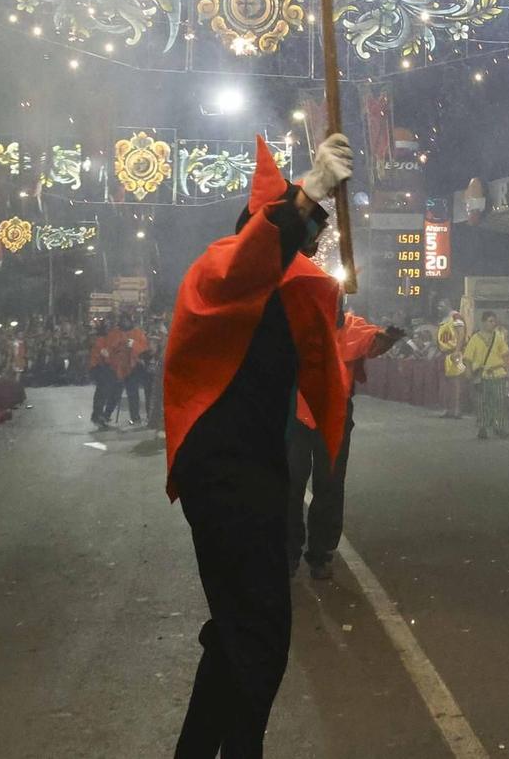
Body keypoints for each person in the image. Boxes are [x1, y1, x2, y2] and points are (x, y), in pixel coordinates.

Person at [162, 134, 352, 759]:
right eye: (299, 236)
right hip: (226, 476)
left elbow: (327, 326)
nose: (307, 248)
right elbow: (254, 256)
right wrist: (308, 194)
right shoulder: (221, 270)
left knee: (237, 632)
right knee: (262, 635)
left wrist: (312, 212)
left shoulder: (276, 290)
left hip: (252, 476)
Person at [288, 311, 402, 580]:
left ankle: (321, 554)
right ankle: (288, 552)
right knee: (291, 484)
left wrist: (388, 339)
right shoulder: (296, 324)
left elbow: (372, 342)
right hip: (298, 414)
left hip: (335, 416)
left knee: (329, 484)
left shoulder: (351, 325)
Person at [464, 308, 509, 440]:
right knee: (483, 403)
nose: (493, 324)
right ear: (483, 322)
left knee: (499, 402)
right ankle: (483, 427)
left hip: (498, 374)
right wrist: (468, 371)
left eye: (494, 321)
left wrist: (508, 371)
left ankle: (499, 427)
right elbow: (467, 357)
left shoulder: (498, 337)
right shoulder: (475, 338)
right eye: (490, 321)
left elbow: (505, 354)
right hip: (482, 375)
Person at [436, 308, 468, 419]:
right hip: (444, 354)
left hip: (454, 354)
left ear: (447, 303)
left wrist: (458, 351)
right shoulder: (443, 319)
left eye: (441, 305)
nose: (439, 307)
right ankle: (448, 409)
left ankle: (457, 410)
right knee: (446, 384)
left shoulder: (456, 316)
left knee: (456, 382)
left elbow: (461, 333)